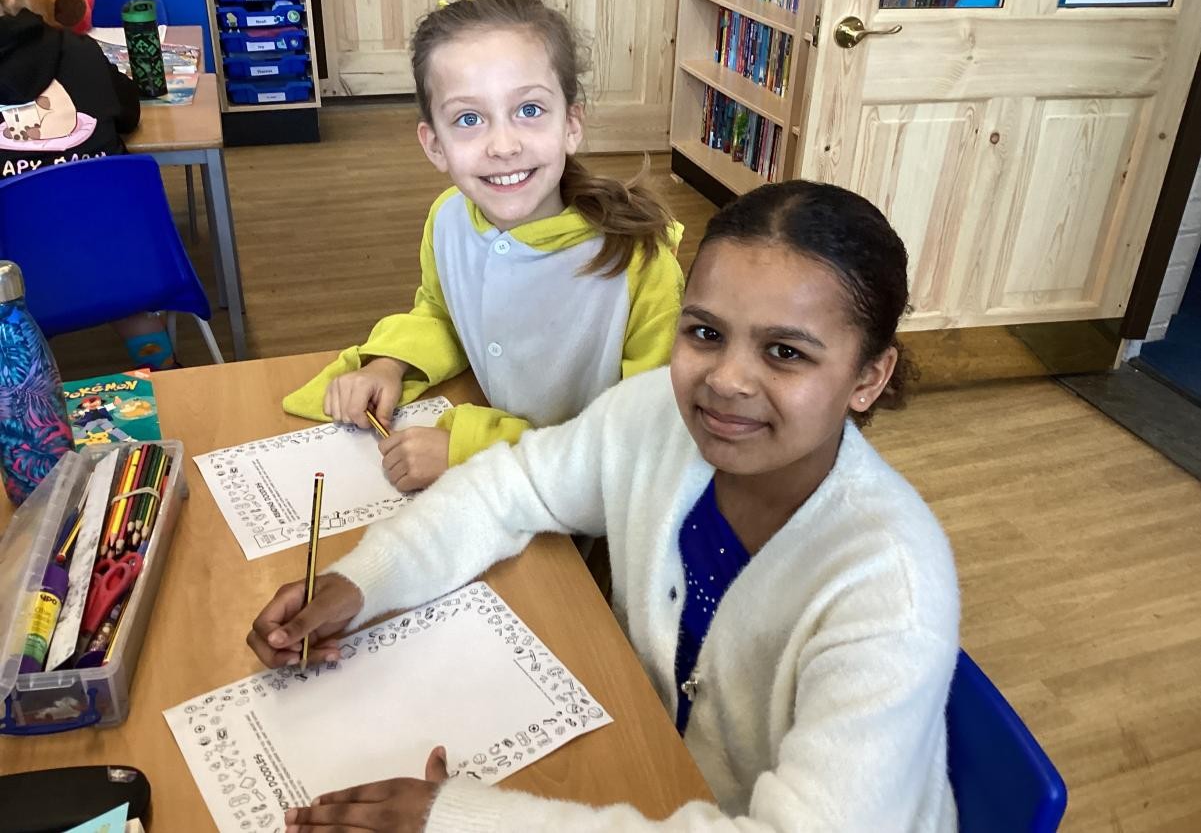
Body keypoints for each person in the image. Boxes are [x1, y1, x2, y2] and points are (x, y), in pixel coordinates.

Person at [250, 179, 961, 832]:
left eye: (784, 352)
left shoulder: (888, 588)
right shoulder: (654, 416)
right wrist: (364, 581)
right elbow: (512, 486)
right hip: (648, 779)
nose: (727, 380)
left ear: (869, 376)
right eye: (705, 332)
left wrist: (467, 822)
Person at [281, 0, 684, 491]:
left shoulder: (640, 266)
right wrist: (388, 364)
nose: (503, 145)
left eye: (529, 109)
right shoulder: (449, 219)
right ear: (434, 145)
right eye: (469, 119)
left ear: (571, 125)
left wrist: (470, 453)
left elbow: (646, 441)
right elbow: (444, 313)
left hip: (581, 511)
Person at [0, 0, 178, 369]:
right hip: (119, 259)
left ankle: (25, 384)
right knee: (118, 282)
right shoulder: (79, 49)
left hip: (15, 280)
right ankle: (164, 369)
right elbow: (129, 112)